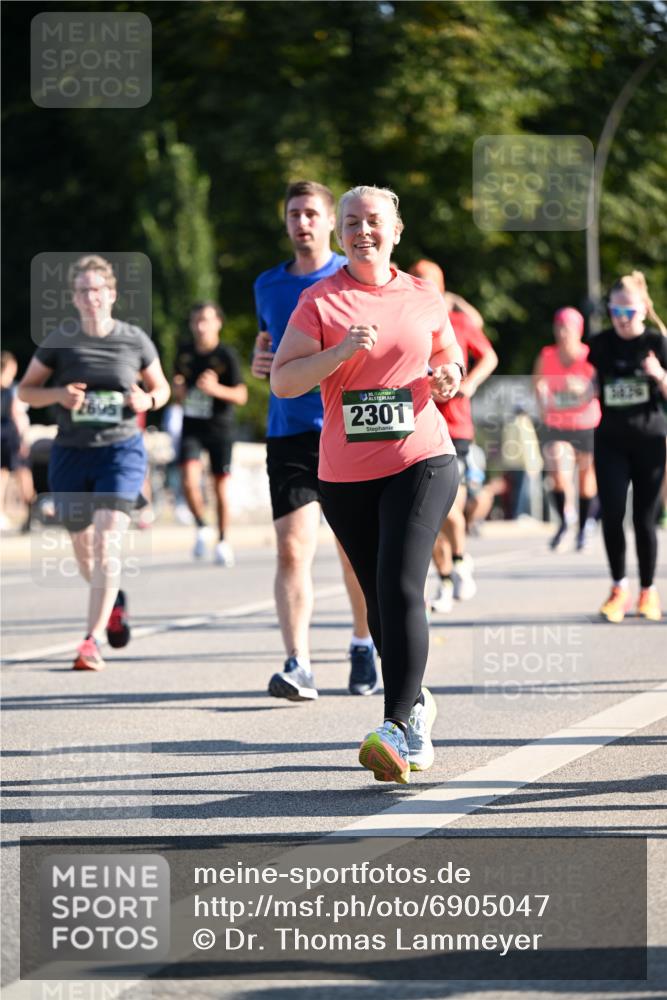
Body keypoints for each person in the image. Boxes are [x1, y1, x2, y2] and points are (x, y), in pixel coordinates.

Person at [271, 184, 463, 783]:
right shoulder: (319, 303)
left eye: (373, 221)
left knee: (400, 582)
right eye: (351, 222)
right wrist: (340, 353)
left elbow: (449, 354)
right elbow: (283, 382)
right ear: (340, 232)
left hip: (422, 457)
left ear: (396, 230)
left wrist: (450, 377)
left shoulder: (422, 295)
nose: (362, 231)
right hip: (346, 476)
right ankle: (418, 706)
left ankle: (396, 727)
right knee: (378, 601)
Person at [251, 180, 377, 699]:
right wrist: (261, 363)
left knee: (353, 552)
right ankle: (298, 662)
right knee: (291, 549)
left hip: (347, 431)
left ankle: (363, 642)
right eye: (293, 213)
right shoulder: (266, 285)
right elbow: (271, 349)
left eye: (311, 213)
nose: (301, 222)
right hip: (291, 433)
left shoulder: (353, 279)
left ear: (330, 223)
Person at [18, 254, 170, 669]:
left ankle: (91, 640)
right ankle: (114, 599)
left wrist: (148, 399)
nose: (91, 297)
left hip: (120, 452)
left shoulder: (134, 339)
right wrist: (58, 395)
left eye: (98, 290)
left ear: (112, 294)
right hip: (71, 454)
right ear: (75, 297)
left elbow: (161, 389)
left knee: (106, 543)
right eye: (83, 291)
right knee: (85, 550)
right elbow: (26, 392)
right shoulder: (59, 340)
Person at [408, 260, 497, 613]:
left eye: (429, 284)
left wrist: (469, 382)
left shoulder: (458, 322)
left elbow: (489, 355)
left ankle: (459, 560)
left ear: (442, 288)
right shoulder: (405, 322)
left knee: (449, 507)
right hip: (416, 425)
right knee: (424, 514)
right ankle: (445, 579)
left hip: (455, 427)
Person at [587, 271, 667, 623]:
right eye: (615, 312)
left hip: (650, 441)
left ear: (643, 310)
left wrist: (660, 375)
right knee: (614, 513)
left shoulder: (657, 343)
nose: (621, 320)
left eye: (628, 313)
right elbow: (590, 387)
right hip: (610, 442)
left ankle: (648, 591)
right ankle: (618, 587)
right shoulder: (600, 344)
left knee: (644, 519)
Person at [173, 301, 247, 565]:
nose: (201, 326)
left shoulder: (226, 355)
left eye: (206, 320)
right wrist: (178, 391)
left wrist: (215, 389)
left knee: (221, 488)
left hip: (221, 428)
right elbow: (178, 393)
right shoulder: (184, 352)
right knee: (188, 481)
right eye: (196, 321)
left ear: (218, 323)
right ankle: (202, 525)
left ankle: (224, 540)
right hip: (192, 425)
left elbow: (241, 395)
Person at [533, 307, 600, 551]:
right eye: (558, 327)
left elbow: (599, 386)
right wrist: (541, 395)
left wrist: (583, 390)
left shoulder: (589, 355)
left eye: (567, 328)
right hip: (557, 424)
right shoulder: (547, 355)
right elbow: (537, 382)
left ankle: (583, 527)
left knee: (585, 478)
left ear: (578, 331)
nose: (562, 333)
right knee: (557, 468)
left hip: (586, 423)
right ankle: (564, 519)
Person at [1, 351, 34, 531]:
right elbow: (17, 415)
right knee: (23, 473)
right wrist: (23, 439)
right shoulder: (14, 390)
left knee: (2, 475)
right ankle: (30, 512)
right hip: (12, 434)